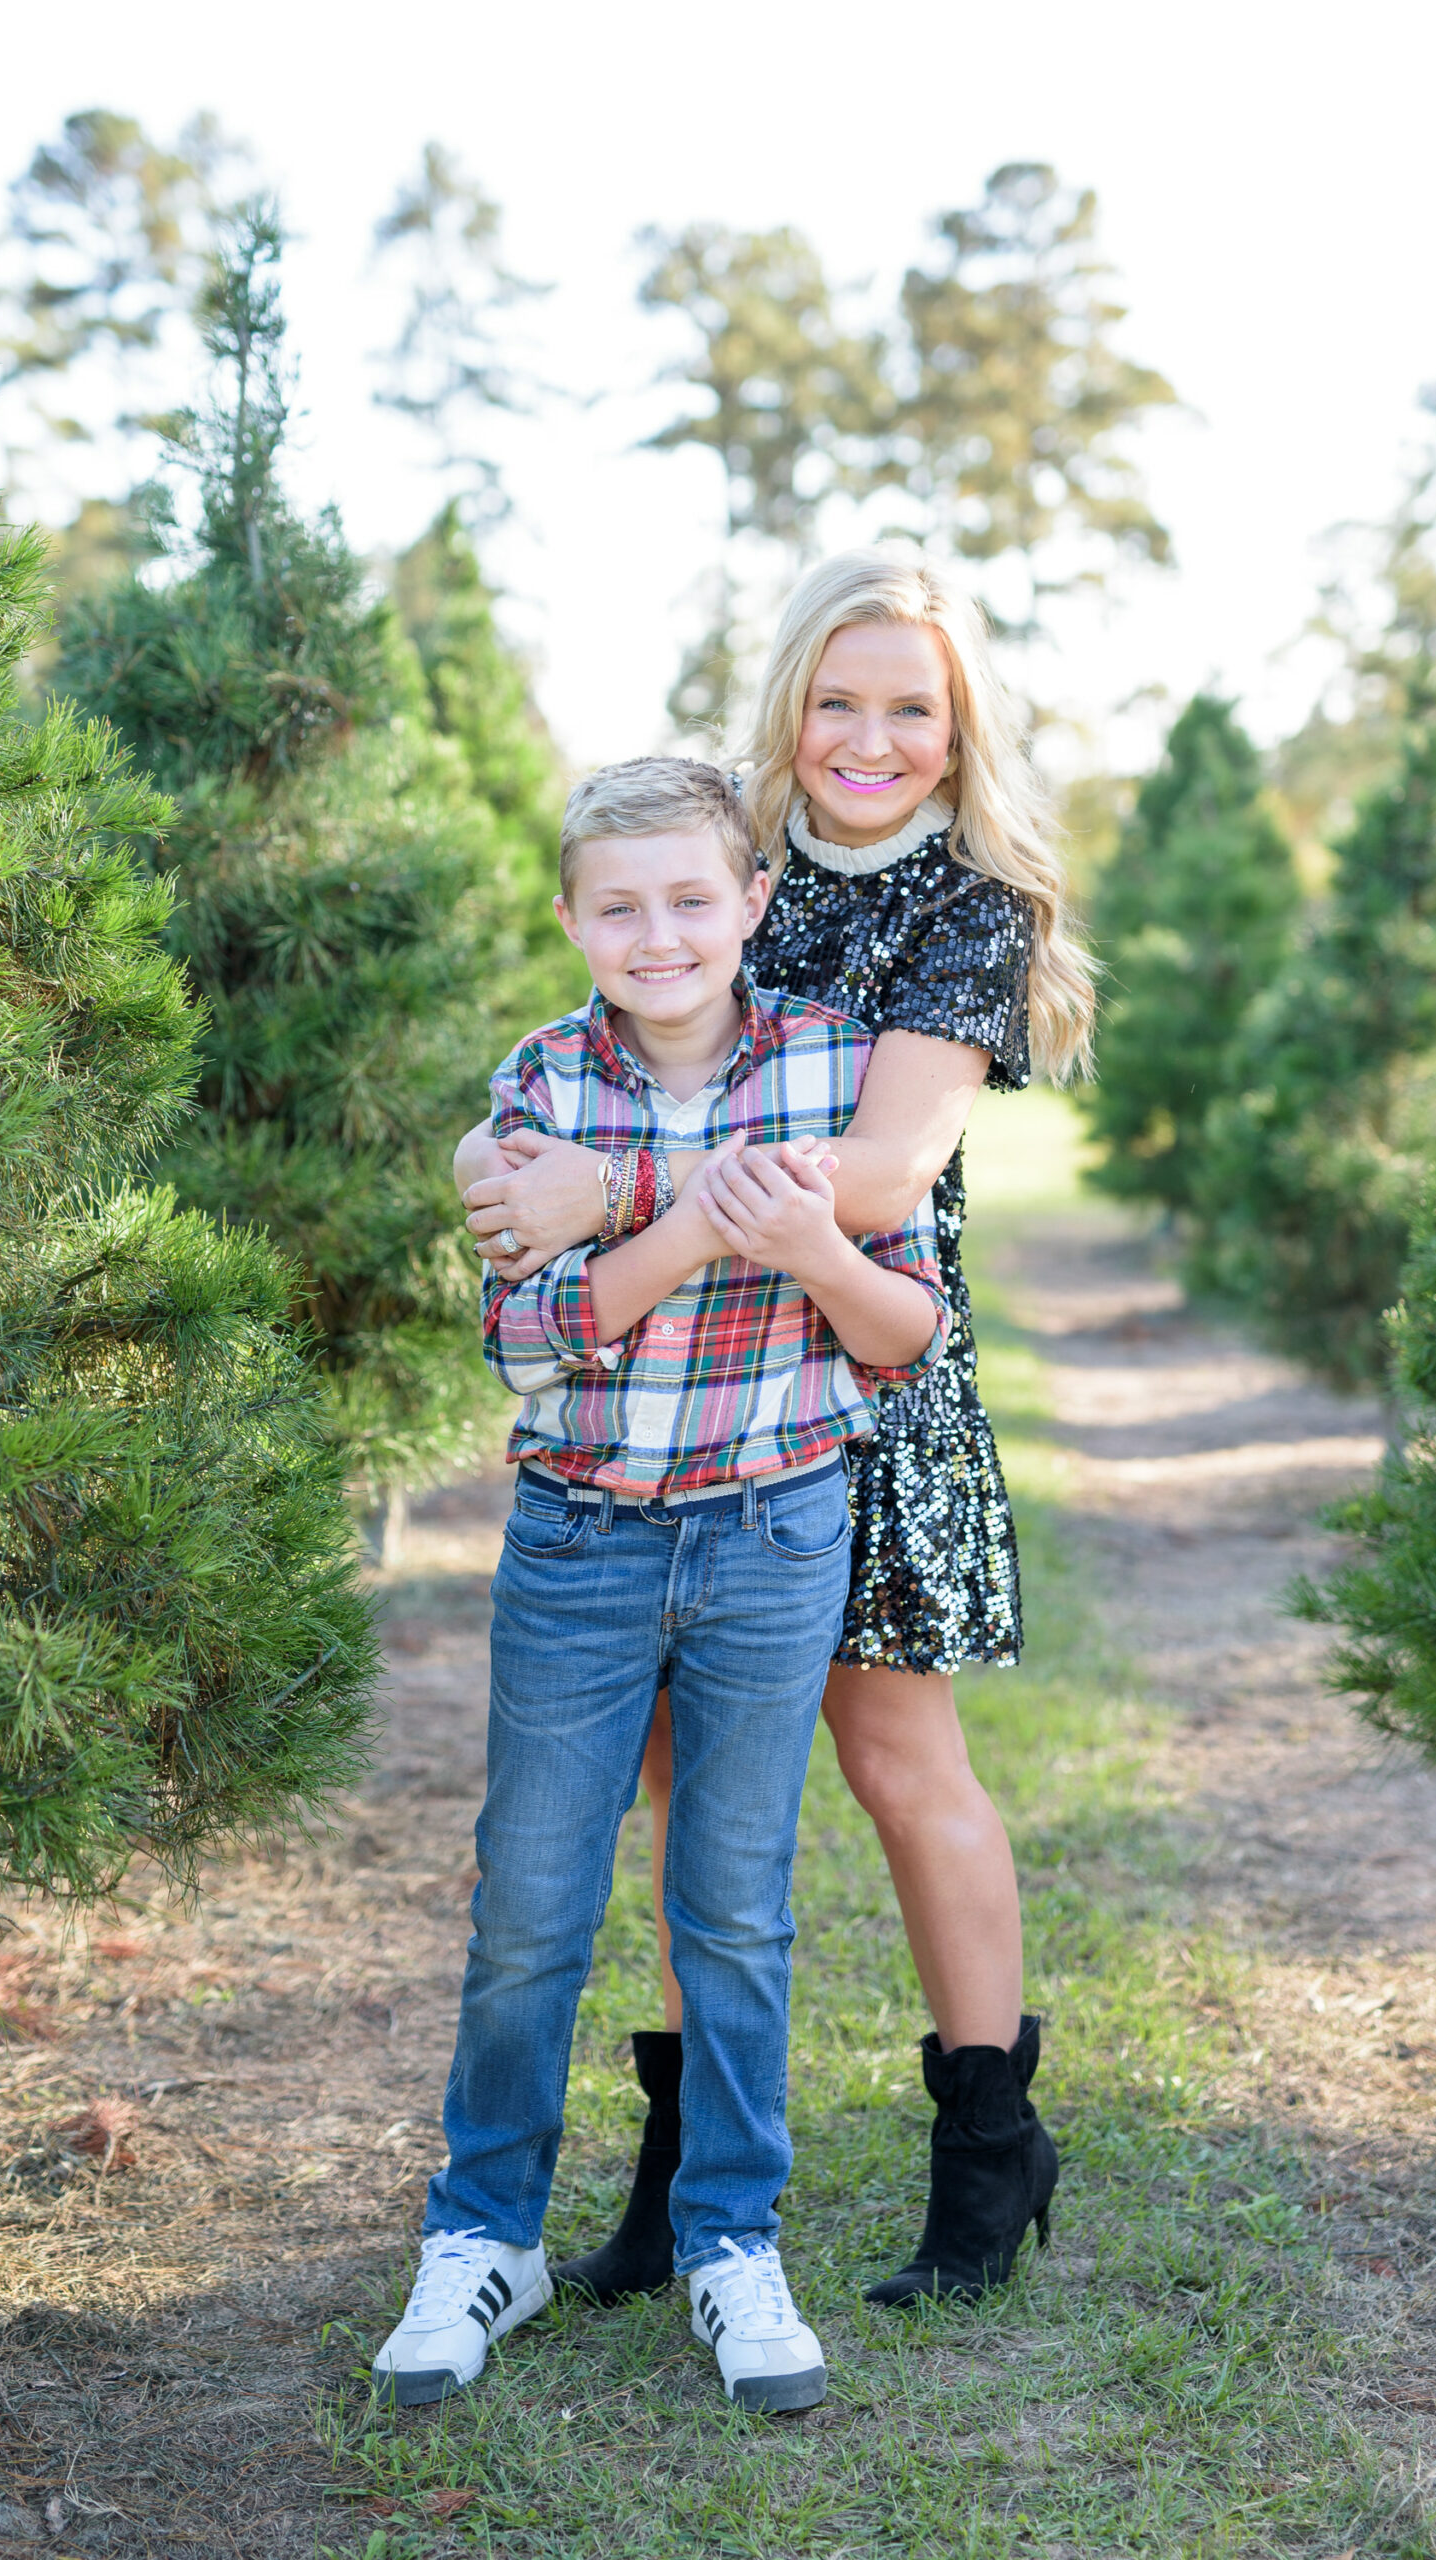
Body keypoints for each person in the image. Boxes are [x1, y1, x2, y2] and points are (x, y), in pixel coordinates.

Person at [456, 551, 1093, 2310]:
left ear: (959, 730)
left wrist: (610, 1190)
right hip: (677, 1383)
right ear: (785, 711)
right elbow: (583, 1053)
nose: (869, 738)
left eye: (912, 707)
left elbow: (881, 1174)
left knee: (897, 1764)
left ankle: (989, 2147)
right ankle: (681, 2171)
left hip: (865, 1371)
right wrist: (501, 1166)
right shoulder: (727, 860)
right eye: (837, 700)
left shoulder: (967, 908)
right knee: (681, 1783)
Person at [373, 756, 949, 2414]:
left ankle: (729, 2240)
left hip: (775, 1533)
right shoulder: (539, 1084)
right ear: (568, 919)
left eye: (693, 898)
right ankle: (485, 2232)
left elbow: (903, 1332)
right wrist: (702, 1223)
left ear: (753, 904)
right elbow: (528, 1340)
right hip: (584, 1542)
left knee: (737, 1909)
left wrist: (814, 1246)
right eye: (617, 905)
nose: (659, 932)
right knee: (530, 1909)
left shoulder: (838, 1072)